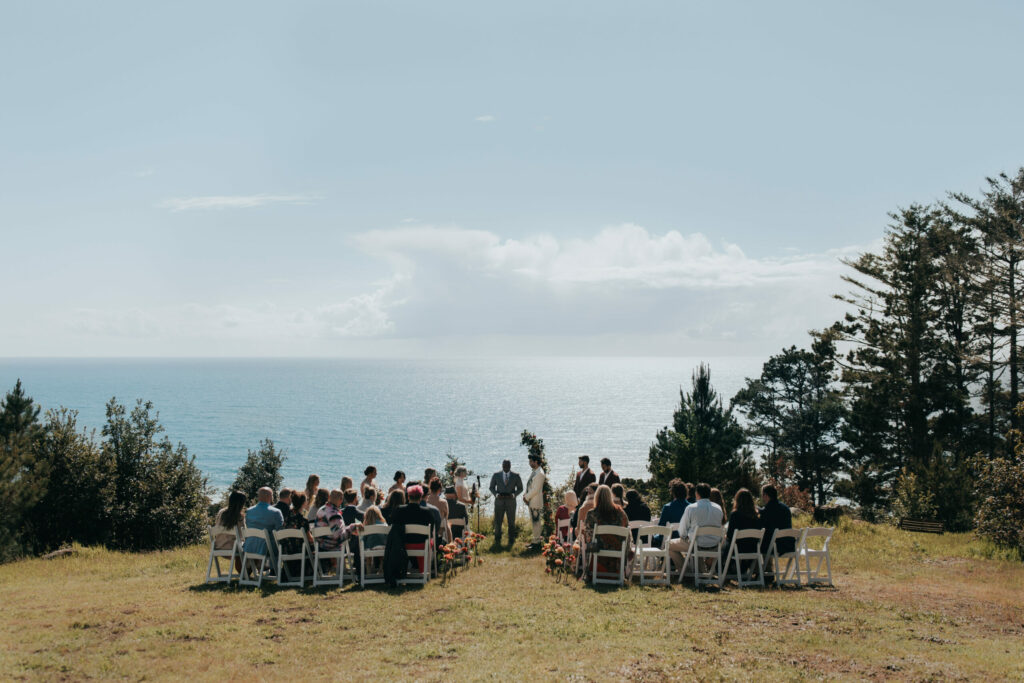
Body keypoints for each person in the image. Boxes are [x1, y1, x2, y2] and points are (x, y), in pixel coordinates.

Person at [668, 483, 724, 574]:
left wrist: (685, 536)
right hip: (714, 545)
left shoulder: (691, 508)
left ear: (697, 494)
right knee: (696, 541)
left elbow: (682, 531)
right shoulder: (718, 508)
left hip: (696, 545)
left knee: (668, 544)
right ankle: (701, 572)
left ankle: (685, 571)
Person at [583, 485, 630, 581]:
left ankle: (589, 572)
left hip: (598, 550)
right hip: (618, 550)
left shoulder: (592, 514)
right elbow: (627, 528)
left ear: (596, 497)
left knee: (588, 543)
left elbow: (588, 535)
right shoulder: (620, 512)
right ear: (610, 496)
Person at [387, 485, 435, 574]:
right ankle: (423, 570)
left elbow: (392, 524)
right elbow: (431, 530)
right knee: (430, 541)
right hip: (422, 545)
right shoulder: (427, 512)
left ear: (408, 497)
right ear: (420, 497)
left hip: (403, 545)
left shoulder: (399, 510)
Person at [722, 488, 762, 573]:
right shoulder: (756, 515)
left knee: (725, 544)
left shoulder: (735, 514)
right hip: (753, 548)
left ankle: (723, 568)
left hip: (738, 548)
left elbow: (730, 535)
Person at [314, 489, 361, 557]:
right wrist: (352, 527)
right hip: (332, 548)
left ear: (329, 497)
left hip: (320, 547)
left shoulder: (321, 510)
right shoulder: (335, 515)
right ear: (341, 500)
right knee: (357, 539)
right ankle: (359, 567)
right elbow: (340, 537)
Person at [488, 459, 523, 545]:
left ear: (510, 465)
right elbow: (491, 487)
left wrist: (514, 495)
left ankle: (511, 540)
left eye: (507, 465)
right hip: (499, 501)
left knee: (511, 521)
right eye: (504, 465)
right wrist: (496, 495)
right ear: (502, 465)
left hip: (511, 502)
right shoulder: (496, 475)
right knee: (498, 521)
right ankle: (497, 540)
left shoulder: (516, 476)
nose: (506, 467)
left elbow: (520, 488)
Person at [244, 487, 285, 559]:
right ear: (268, 496)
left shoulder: (249, 511)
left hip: (249, 547)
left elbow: (248, 527)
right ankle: (275, 569)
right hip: (266, 549)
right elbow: (279, 531)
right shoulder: (275, 512)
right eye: (272, 495)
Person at [280, 492, 313, 578]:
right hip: (299, 551)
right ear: (304, 503)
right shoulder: (303, 520)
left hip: (287, 550)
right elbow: (310, 539)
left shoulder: (286, 517)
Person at [214, 491, 247, 571]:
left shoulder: (221, 512)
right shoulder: (239, 517)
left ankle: (246, 571)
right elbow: (242, 536)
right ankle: (247, 571)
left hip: (218, 546)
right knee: (251, 547)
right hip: (232, 548)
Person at [759, 484, 795, 556]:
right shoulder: (785, 508)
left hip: (775, 547)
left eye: (762, 495)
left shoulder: (766, 510)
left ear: (766, 495)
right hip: (789, 545)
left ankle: (760, 567)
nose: (762, 498)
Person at [522, 453, 547, 549]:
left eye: (531, 461)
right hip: (531, 500)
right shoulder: (535, 471)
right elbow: (530, 485)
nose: (529, 463)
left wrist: (526, 497)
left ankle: (537, 543)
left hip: (535, 501)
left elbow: (536, 489)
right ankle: (535, 540)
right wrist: (526, 494)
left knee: (536, 522)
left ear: (536, 462)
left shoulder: (540, 473)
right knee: (534, 522)